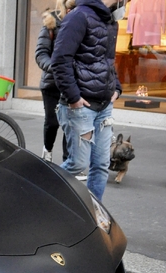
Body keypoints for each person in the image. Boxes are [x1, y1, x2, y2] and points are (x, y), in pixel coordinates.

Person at [50, 0, 125, 201]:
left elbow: (107, 61)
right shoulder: (79, 16)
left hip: (103, 107)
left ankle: (94, 214)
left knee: (101, 165)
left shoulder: (111, 22)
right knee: (77, 164)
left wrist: (116, 87)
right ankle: (42, 195)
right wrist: (74, 98)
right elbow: (59, 60)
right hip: (81, 106)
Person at [34, 0, 75, 163]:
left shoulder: (81, 23)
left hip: (72, 83)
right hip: (52, 83)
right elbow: (41, 53)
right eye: (70, 6)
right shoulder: (51, 22)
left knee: (70, 125)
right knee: (52, 122)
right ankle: (47, 151)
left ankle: (68, 163)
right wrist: (56, 67)